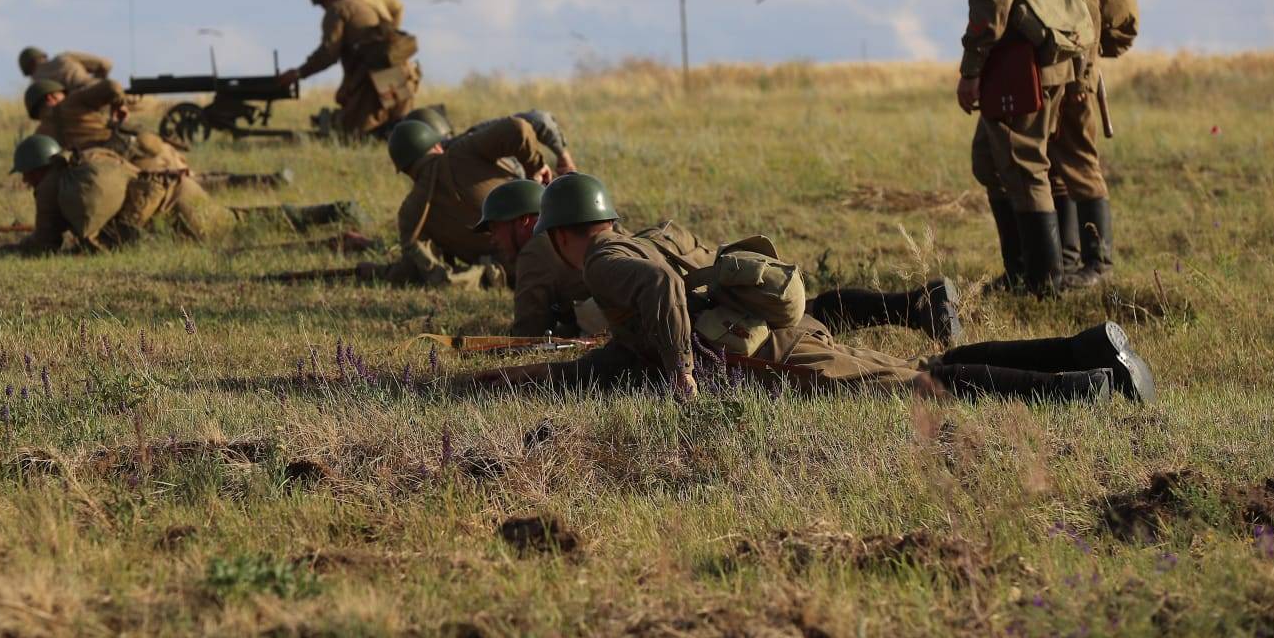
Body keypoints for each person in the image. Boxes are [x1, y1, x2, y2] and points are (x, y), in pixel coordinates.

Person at [461, 174, 1154, 404]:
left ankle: (1087, 389)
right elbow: (621, 351)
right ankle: (1083, 350)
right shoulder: (643, 239)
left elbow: (659, 294)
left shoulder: (604, 263)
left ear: (560, 233)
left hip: (777, 355)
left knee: (923, 387)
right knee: (926, 368)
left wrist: (683, 374)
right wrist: (509, 380)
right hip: (783, 332)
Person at [475, 179, 963, 343]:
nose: (493, 240)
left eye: (495, 228)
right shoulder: (583, 229)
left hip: (675, 309)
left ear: (526, 222)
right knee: (806, 314)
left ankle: (920, 317)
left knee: (794, 330)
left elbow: (525, 337)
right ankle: (914, 304)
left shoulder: (538, 250)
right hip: (686, 273)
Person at [957, 0, 1094, 296]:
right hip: (1055, 55)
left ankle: (1040, 281)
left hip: (1020, 61)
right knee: (992, 159)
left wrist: (971, 68)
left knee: (1023, 165)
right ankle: (1025, 272)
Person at [10, 135, 357, 254]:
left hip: (175, 217)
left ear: (36, 168)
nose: (25, 181)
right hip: (176, 190)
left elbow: (44, 243)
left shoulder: (49, 188)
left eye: (25, 174)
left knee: (243, 233)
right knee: (243, 219)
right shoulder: (87, 158)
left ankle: (335, 218)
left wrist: (15, 248)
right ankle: (333, 212)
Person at [1028, 0, 1116, 289]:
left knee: (1080, 163)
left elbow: (1085, 14)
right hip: (1061, 71)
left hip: (1076, 74)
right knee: (1057, 166)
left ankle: (1098, 263)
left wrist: (1080, 77)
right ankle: (1066, 259)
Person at [24, 78, 291, 190]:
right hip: (139, 151)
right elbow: (112, 86)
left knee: (191, 183)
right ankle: (268, 181)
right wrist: (119, 105)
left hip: (116, 168)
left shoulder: (41, 134)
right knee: (194, 181)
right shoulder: (73, 102)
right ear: (52, 96)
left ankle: (266, 181)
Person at [377, 117, 548, 286]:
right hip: (551, 239)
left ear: (406, 171)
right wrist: (535, 167)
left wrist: (374, 270)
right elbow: (518, 129)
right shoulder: (462, 152)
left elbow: (413, 269)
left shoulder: (410, 213)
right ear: (437, 146)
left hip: (516, 273)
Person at [279, 0, 421, 138]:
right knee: (402, 128)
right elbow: (397, 6)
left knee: (355, 135)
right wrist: (388, 38)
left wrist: (299, 73)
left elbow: (328, 54)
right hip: (401, 72)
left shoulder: (338, 9)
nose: (324, 8)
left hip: (376, 80)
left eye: (322, 2)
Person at [404, 106, 577, 177]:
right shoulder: (474, 141)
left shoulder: (471, 142)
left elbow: (537, 121)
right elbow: (539, 120)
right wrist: (563, 156)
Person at [17, 47, 113, 91]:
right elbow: (105, 64)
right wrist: (97, 83)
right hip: (103, 91)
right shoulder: (65, 58)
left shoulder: (36, 84)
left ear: (29, 68)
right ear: (43, 56)